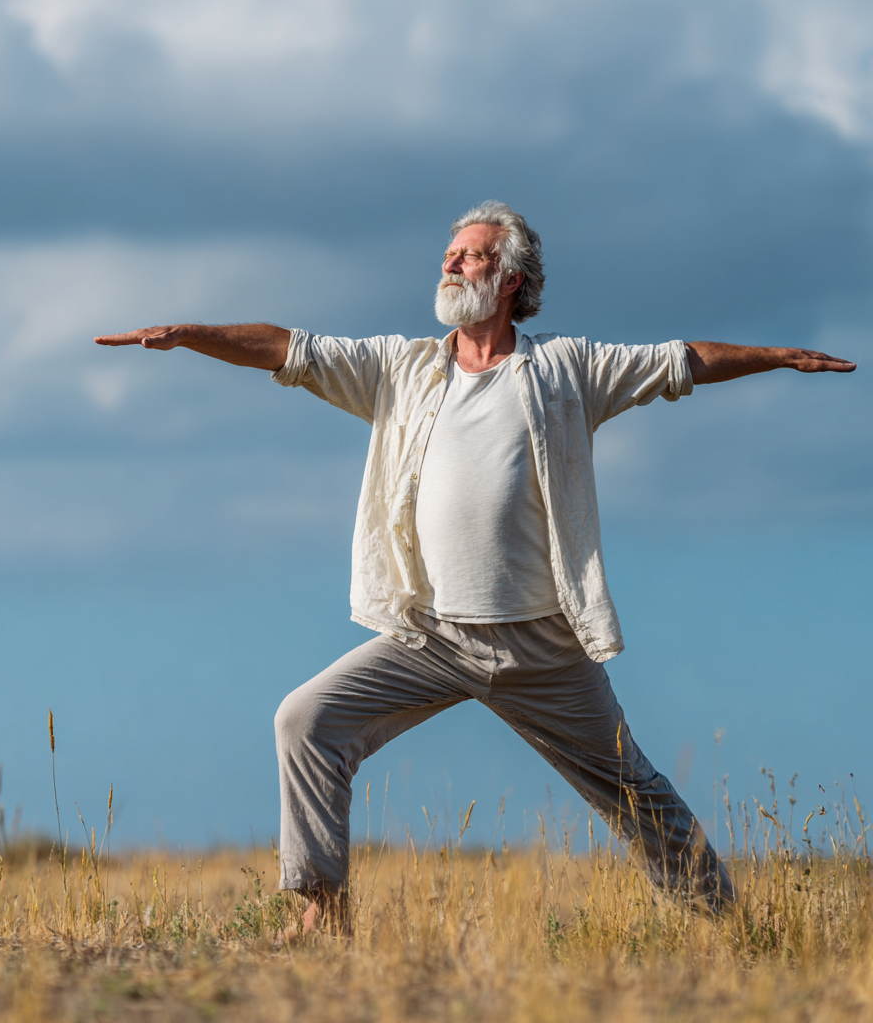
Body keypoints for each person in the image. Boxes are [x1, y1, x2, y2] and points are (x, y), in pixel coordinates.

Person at [95, 200, 855, 921]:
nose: (453, 267)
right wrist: (191, 333)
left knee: (634, 791)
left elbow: (679, 360)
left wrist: (777, 356)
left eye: (473, 256)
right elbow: (290, 348)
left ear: (511, 279)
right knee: (306, 720)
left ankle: (729, 926)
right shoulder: (400, 369)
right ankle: (323, 914)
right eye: (450, 255)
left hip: (543, 646)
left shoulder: (568, 371)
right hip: (430, 638)